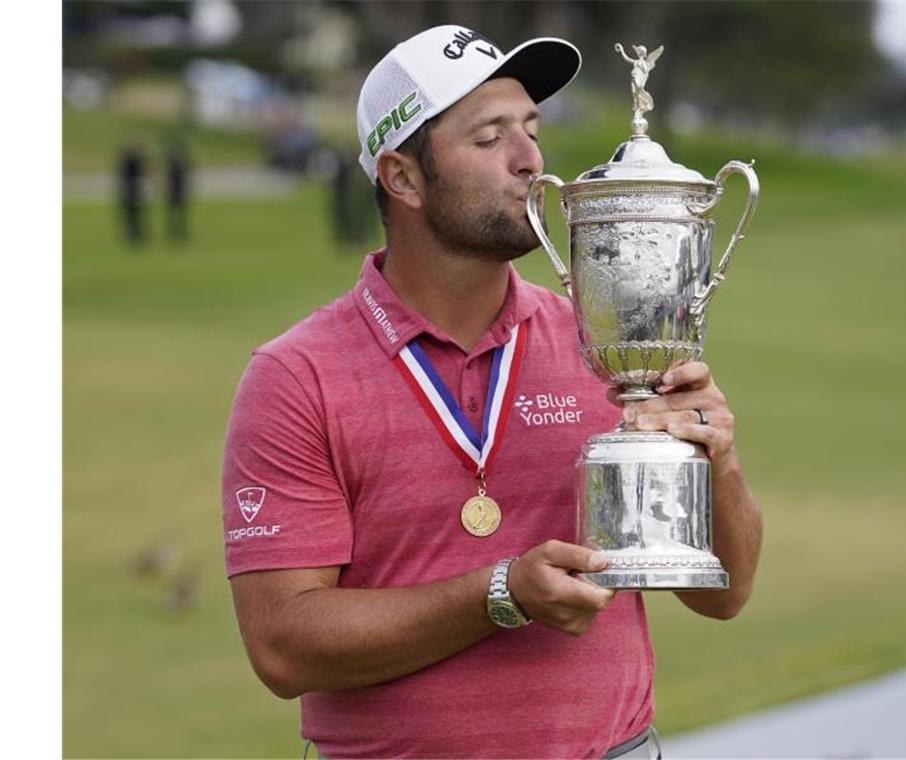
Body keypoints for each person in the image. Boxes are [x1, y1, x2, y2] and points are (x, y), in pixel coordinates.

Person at [221, 24, 763, 760]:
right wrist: (500, 593)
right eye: (489, 138)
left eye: (531, 129)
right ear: (402, 177)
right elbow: (283, 647)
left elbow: (722, 595)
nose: (531, 159)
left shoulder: (601, 342)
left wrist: (717, 464)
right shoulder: (297, 376)